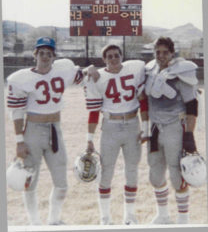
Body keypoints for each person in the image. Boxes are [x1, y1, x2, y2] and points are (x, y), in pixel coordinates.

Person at [6, 36, 98, 225]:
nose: (45, 56)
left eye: (49, 53)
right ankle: (34, 223)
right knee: (30, 181)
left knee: (62, 183)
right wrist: (19, 141)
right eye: (41, 53)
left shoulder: (62, 70)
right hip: (33, 131)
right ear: (35, 55)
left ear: (53, 57)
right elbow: (17, 112)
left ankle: (53, 221)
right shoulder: (22, 78)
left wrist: (89, 69)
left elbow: (81, 75)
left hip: (55, 129)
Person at [83, 44, 149, 225]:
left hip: (132, 124)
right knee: (106, 171)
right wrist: (89, 139)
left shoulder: (134, 69)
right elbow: (94, 111)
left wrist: (146, 127)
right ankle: (105, 217)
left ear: (122, 55)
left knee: (132, 170)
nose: (113, 59)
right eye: (109, 56)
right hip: (110, 126)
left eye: (116, 55)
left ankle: (130, 215)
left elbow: (143, 101)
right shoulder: (98, 77)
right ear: (103, 59)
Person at [144, 36, 199, 224]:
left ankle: (183, 219)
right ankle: (163, 215)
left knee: (177, 174)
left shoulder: (181, 71)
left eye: (165, 52)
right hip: (154, 127)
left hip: (174, 126)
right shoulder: (150, 70)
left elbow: (192, 106)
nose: (161, 55)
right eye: (157, 52)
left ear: (172, 53)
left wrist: (189, 134)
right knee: (155, 173)